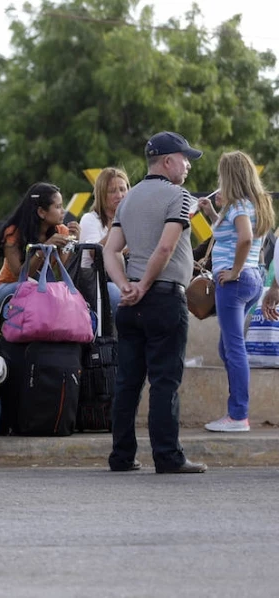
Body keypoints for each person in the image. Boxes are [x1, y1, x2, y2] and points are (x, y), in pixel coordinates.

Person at [103, 131, 208, 474]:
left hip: (130, 303)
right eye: (184, 158)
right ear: (167, 161)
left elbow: (110, 249)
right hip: (163, 298)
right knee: (164, 381)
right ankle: (168, 456)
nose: (188, 164)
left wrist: (126, 286)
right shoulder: (179, 197)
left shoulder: (128, 198)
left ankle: (121, 456)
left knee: (127, 381)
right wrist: (146, 285)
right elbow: (165, 248)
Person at [197, 151, 274, 433]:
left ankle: (238, 415)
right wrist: (212, 214)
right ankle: (236, 411)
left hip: (235, 282)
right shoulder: (254, 204)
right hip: (252, 279)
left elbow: (244, 239)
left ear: (229, 176)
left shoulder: (240, 205)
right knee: (227, 347)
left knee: (234, 347)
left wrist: (234, 271)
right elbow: (235, 234)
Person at [0, 182, 81, 313]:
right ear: (41, 212)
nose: (63, 211)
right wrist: (42, 250)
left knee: (52, 291)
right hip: (10, 289)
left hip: (41, 289)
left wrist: (73, 243)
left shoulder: (60, 231)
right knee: (37, 288)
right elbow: (20, 274)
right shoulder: (13, 233)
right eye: (58, 207)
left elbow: (65, 270)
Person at [79, 167, 130, 317]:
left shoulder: (132, 220)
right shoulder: (90, 219)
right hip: (98, 282)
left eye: (122, 189)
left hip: (126, 278)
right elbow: (95, 252)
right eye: (112, 191)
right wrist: (118, 223)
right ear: (102, 194)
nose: (119, 195)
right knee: (116, 294)